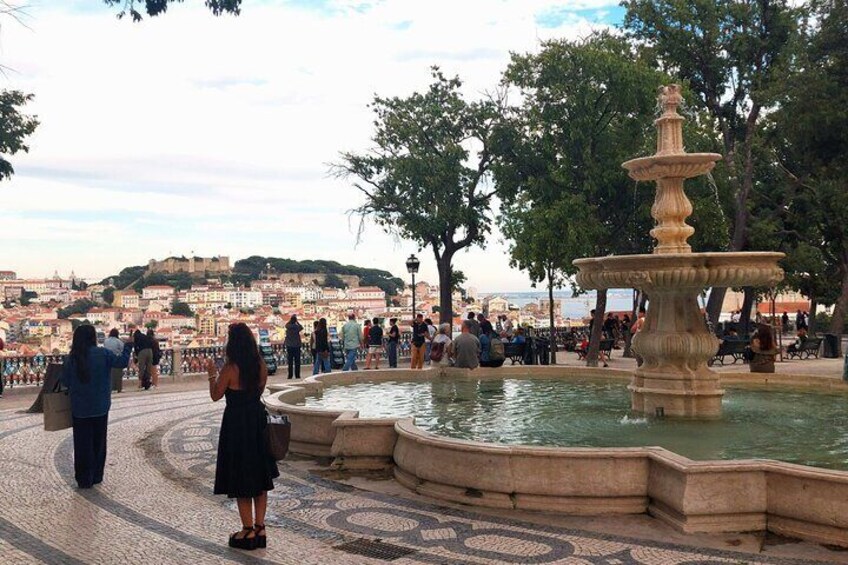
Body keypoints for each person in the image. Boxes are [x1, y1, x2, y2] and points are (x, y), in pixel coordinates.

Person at [206, 323, 278, 551]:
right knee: (260, 475)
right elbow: (260, 389)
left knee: (241, 475)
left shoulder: (230, 369)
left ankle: (247, 531)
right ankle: (260, 527)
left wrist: (211, 376)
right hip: (256, 421)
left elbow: (216, 396)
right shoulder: (260, 365)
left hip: (237, 424)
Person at [60, 324, 132, 489]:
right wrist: (128, 346)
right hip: (100, 406)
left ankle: (83, 478)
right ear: (93, 337)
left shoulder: (72, 359)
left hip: (80, 408)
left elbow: (65, 382)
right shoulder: (103, 354)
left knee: (81, 443)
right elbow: (121, 362)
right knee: (99, 442)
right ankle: (97, 475)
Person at [103, 328, 125, 393]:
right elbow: (122, 349)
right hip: (116, 359)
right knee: (118, 374)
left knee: (110, 375)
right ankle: (118, 388)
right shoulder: (118, 341)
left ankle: (111, 388)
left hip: (107, 359)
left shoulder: (106, 341)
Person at [132, 326, 153, 390]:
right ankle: (147, 383)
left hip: (142, 352)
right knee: (148, 368)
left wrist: (136, 357)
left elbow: (136, 347)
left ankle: (140, 384)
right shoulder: (144, 336)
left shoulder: (136, 337)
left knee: (141, 368)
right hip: (150, 351)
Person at [284, 315, 303, 380]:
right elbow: (301, 327)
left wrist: (290, 321)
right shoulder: (297, 327)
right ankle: (297, 375)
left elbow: (286, 325)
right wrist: (297, 322)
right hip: (297, 346)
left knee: (290, 362)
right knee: (297, 361)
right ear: (295, 321)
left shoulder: (288, 327)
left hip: (289, 346)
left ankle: (290, 375)